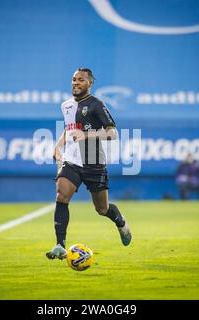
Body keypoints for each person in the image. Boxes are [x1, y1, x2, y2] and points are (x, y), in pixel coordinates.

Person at [46, 68, 132, 260]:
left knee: (102, 209)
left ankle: (120, 221)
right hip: (72, 160)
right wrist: (58, 146)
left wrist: (86, 135)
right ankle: (60, 245)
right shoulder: (66, 105)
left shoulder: (96, 105)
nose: (76, 83)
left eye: (81, 80)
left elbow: (112, 133)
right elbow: (69, 130)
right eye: (74, 79)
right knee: (61, 194)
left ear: (90, 84)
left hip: (94, 162)